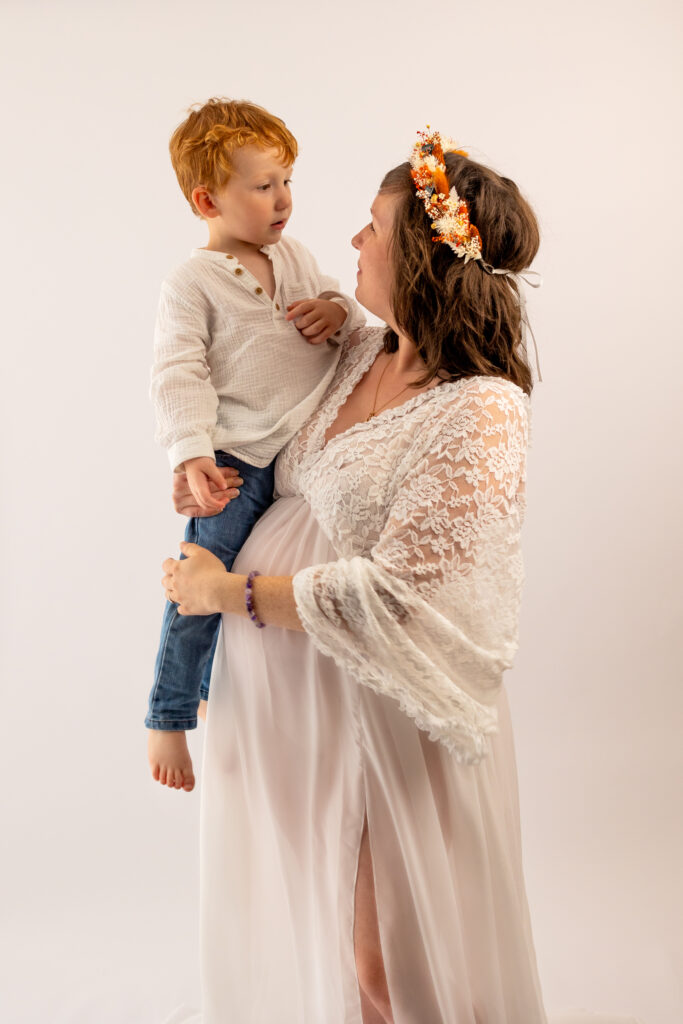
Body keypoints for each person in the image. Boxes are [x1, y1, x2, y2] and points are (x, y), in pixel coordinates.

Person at [162, 129, 548, 1023]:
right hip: (292, 707)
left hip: (378, 712)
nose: (352, 244)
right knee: (339, 952)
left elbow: (404, 594)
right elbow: (247, 409)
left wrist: (230, 594)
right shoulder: (352, 354)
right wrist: (196, 465)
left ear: (417, 252)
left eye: (372, 228)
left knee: (390, 965)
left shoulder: (480, 407)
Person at [145, 97, 364, 793]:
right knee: (198, 580)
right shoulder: (191, 284)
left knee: (251, 583)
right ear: (206, 199)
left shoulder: (292, 256)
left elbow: (343, 305)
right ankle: (169, 713)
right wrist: (191, 452)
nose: (283, 200)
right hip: (239, 456)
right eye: (264, 186)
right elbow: (177, 371)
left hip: (306, 447)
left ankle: (208, 684)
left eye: (288, 181)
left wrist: (334, 308)